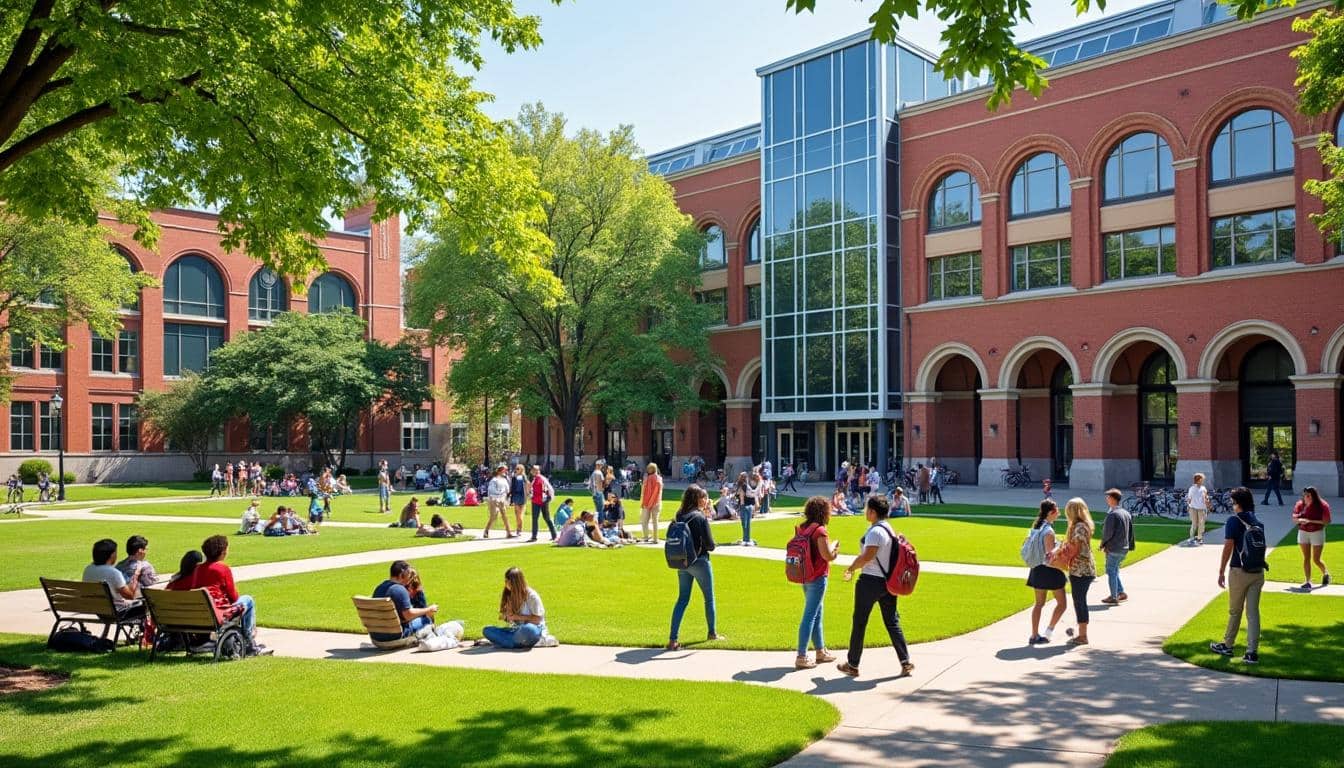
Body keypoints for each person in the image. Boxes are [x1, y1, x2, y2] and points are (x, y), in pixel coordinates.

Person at [836, 496, 914, 679]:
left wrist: (851, 568)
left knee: (860, 622)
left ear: (872, 512)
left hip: (870, 581)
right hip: (887, 582)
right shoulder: (888, 529)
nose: (865, 512)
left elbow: (867, 557)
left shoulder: (875, 532)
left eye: (867, 509)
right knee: (892, 621)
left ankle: (853, 664)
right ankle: (905, 661)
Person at [1210, 488, 1265, 664]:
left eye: (1233, 502)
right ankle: (1252, 652)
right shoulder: (1257, 521)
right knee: (1253, 613)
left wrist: (1221, 570)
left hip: (1239, 571)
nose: (1232, 505)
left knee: (1235, 611)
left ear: (1238, 503)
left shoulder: (1234, 521)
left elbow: (1228, 546)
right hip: (1257, 572)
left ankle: (1228, 645)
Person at [667, 485, 724, 650]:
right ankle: (712, 633)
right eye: (703, 497)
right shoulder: (699, 517)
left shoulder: (679, 515)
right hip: (700, 561)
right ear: (696, 499)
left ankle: (673, 639)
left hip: (682, 561)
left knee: (682, 599)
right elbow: (710, 545)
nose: (706, 500)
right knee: (709, 598)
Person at [190, 535, 268, 655]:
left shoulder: (198, 569)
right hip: (219, 614)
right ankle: (249, 642)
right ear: (222, 552)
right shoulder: (222, 569)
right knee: (248, 600)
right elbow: (234, 597)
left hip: (201, 614)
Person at [793, 496, 840, 669]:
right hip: (818, 577)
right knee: (810, 615)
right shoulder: (820, 531)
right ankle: (801, 655)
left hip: (805, 575)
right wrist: (835, 551)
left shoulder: (802, 528)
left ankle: (820, 651)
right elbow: (827, 556)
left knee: (817, 613)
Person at [478, 567, 555, 649]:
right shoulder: (509, 595)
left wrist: (516, 617)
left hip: (534, 629)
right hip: (515, 631)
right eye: (505, 581)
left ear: (516, 582)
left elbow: (537, 619)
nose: (506, 584)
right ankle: (515, 643)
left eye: (507, 581)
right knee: (487, 630)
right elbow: (510, 620)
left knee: (528, 629)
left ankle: (506, 642)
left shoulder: (532, 596)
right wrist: (506, 617)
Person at [1025, 500, 1067, 645]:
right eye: (1057, 511)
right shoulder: (1048, 531)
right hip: (1050, 571)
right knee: (1062, 604)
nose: (1058, 514)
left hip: (1036, 568)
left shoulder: (1036, 527)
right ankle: (1048, 631)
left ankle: (1034, 634)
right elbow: (1050, 555)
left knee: (1038, 604)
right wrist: (1061, 547)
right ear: (1050, 513)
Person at [370, 560, 439, 642]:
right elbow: (408, 615)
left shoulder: (379, 588)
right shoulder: (400, 590)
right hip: (395, 635)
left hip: (376, 635)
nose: (410, 577)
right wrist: (429, 609)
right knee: (426, 620)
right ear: (401, 575)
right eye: (408, 573)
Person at [1062, 497, 1096, 646]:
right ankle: (1081, 632)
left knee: (1079, 601)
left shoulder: (1079, 527)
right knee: (1079, 600)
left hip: (1080, 570)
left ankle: (1083, 635)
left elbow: (1074, 549)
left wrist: (1060, 556)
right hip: (1083, 568)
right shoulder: (1082, 525)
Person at [83, 538, 146, 617]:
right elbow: (130, 596)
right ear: (112, 555)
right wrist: (136, 574)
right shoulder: (113, 573)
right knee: (147, 604)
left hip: (98, 610)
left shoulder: (88, 569)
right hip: (117, 612)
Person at [1291, 486, 1332, 589]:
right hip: (1303, 531)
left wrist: (1310, 521)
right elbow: (1294, 518)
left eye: (1308, 495)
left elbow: (1327, 521)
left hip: (1317, 532)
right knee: (1306, 558)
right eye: (1305, 495)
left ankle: (1326, 573)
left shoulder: (1323, 505)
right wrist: (1299, 520)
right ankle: (1307, 581)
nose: (1306, 497)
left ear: (1314, 496)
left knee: (1316, 559)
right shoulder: (1300, 504)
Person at [1098, 488, 1134, 605]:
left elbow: (1107, 533)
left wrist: (1102, 544)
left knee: (1111, 571)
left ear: (1113, 499)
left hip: (1114, 548)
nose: (1106, 499)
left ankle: (1114, 596)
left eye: (1108, 497)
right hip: (1124, 548)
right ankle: (1120, 592)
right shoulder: (1126, 513)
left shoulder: (1112, 515)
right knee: (1115, 570)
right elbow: (1130, 532)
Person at [528, 464, 557, 542]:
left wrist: (549, 498)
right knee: (535, 519)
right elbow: (531, 490)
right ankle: (534, 537)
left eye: (536, 470)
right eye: (533, 470)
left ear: (539, 471)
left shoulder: (542, 479)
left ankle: (554, 535)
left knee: (547, 518)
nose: (535, 471)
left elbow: (550, 489)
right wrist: (530, 496)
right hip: (535, 501)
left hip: (543, 501)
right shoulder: (533, 479)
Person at [485, 465, 514, 538]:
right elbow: (491, 490)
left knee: (505, 516)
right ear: (499, 471)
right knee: (493, 516)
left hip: (502, 499)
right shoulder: (494, 480)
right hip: (494, 499)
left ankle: (508, 533)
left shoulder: (504, 480)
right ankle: (486, 530)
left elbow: (507, 489)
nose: (506, 472)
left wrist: (506, 495)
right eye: (504, 470)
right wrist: (500, 493)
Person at [640, 462, 664, 544]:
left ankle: (646, 536)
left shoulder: (648, 479)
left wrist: (645, 503)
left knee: (644, 521)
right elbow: (657, 492)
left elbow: (646, 492)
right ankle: (655, 538)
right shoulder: (659, 479)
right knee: (655, 522)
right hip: (657, 502)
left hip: (648, 502)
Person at [736, 471, 760, 546]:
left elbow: (741, 497)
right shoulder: (748, 485)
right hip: (750, 505)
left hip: (744, 505)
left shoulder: (742, 486)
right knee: (747, 523)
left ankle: (746, 539)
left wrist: (742, 506)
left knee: (745, 524)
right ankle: (746, 539)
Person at [1186, 473, 1210, 545]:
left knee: (1201, 524)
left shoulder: (1203, 488)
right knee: (1194, 524)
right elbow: (1189, 498)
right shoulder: (1192, 488)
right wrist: (1188, 507)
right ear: (1198, 480)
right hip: (1193, 508)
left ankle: (1199, 538)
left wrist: (1208, 504)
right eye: (1202, 479)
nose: (1203, 480)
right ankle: (1191, 538)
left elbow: (1206, 497)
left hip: (1202, 508)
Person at [510, 463, 528, 535]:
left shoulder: (523, 477)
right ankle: (519, 529)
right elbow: (512, 487)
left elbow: (526, 486)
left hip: (522, 496)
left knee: (520, 514)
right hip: (516, 496)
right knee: (517, 514)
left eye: (518, 469)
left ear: (521, 470)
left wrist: (527, 495)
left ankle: (519, 529)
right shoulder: (514, 477)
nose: (516, 470)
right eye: (516, 469)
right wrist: (511, 498)